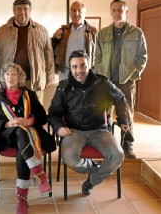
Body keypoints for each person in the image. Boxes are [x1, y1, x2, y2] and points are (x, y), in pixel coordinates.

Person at [48, 50, 130, 196]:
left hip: (99, 130)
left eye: (82, 66)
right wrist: (59, 127)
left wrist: (123, 120)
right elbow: (53, 113)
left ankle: (91, 181)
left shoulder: (102, 83)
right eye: (75, 67)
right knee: (70, 158)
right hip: (74, 131)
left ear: (89, 65)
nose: (79, 70)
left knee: (117, 155)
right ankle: (94, 168)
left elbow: (120, 98)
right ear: (70, 68)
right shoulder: (63, 87)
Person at [0, 62, 56, 214]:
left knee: (21, 144)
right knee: (19, 131)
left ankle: (21, 199)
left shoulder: (29, 94)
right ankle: (40, 175)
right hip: (7, 136)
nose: (10, 77)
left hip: (30, 136)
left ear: (20, 77)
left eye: (14, 74)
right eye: (7, 74)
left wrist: (29, 121)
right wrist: (7, 123)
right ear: (3, 77)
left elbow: (43, 116)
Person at [95, 0, 148, 159]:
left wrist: (133, 76)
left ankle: (128, 145)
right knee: (105, 114)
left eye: (121, 9)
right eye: (115, 10)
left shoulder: (136, 33)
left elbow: (142, 57)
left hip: (126, 81)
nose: (118, 12)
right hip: (107, 81)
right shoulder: (102, 33)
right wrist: (101, 77)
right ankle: (108, 145)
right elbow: (96, 57)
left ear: (126, 12)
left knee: (126, 113)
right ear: (111, 12)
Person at [0, 0, 55, 104]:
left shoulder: (42, 31)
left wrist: (50, 77)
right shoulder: (1, 32)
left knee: (35, 111)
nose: (22, 12)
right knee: (12, 112)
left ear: (30, 10)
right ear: (13, 11)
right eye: (19, 9)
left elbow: (48, 56)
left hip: (34, 80)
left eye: (25, 9)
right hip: (10, 81)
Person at [51, 1, 97, 81]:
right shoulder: (63, 30)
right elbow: (51, 47)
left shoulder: (93, 32)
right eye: (73, 10)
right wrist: (55, 39)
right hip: (65, 73)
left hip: (84, 73)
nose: (76, 13)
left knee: (84, 93)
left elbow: (98, 53)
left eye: (79, 11)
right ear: (70, 13)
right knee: (65, 93)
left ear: (84, 13)